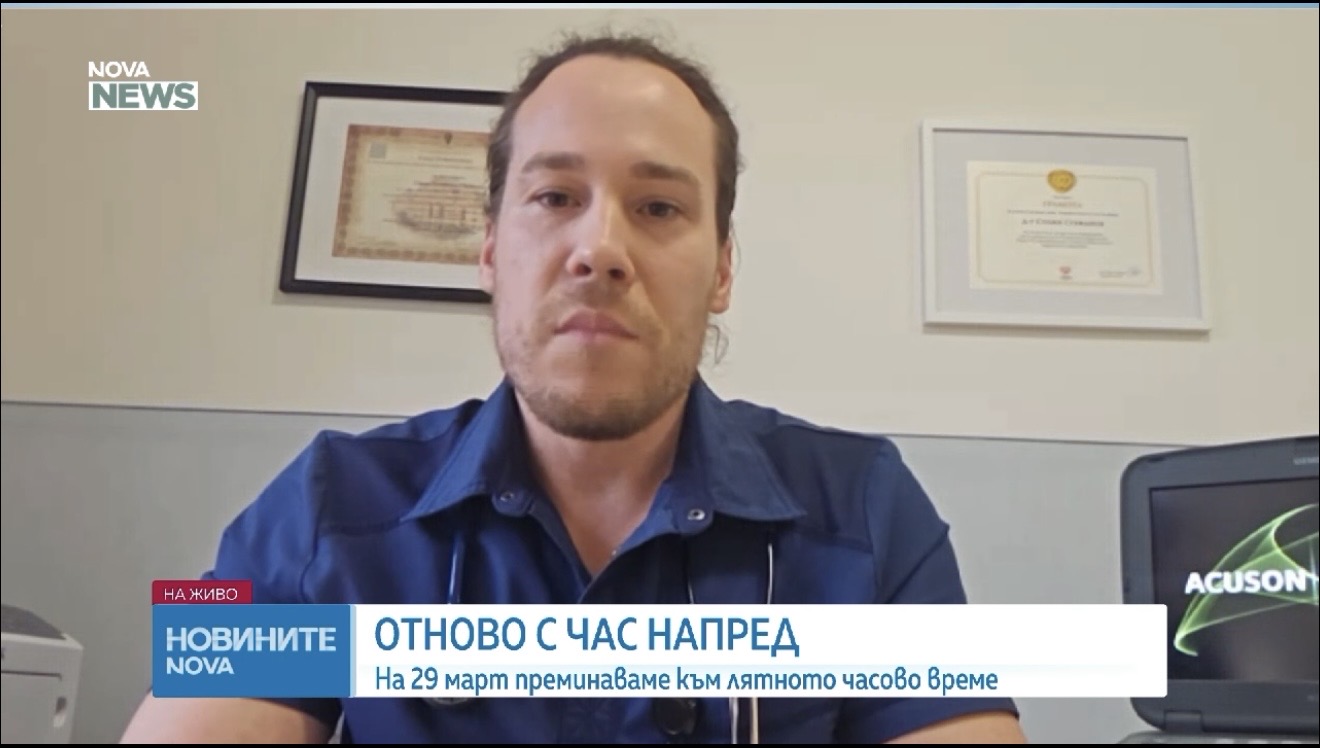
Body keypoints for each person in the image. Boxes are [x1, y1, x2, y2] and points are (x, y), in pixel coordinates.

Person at [121, 30, 1027, 744]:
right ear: (489, 250)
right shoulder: (322, 502)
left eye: (659, 207)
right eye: (555, 197)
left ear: (721, 269)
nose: (600, 249)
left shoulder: (868, 508)